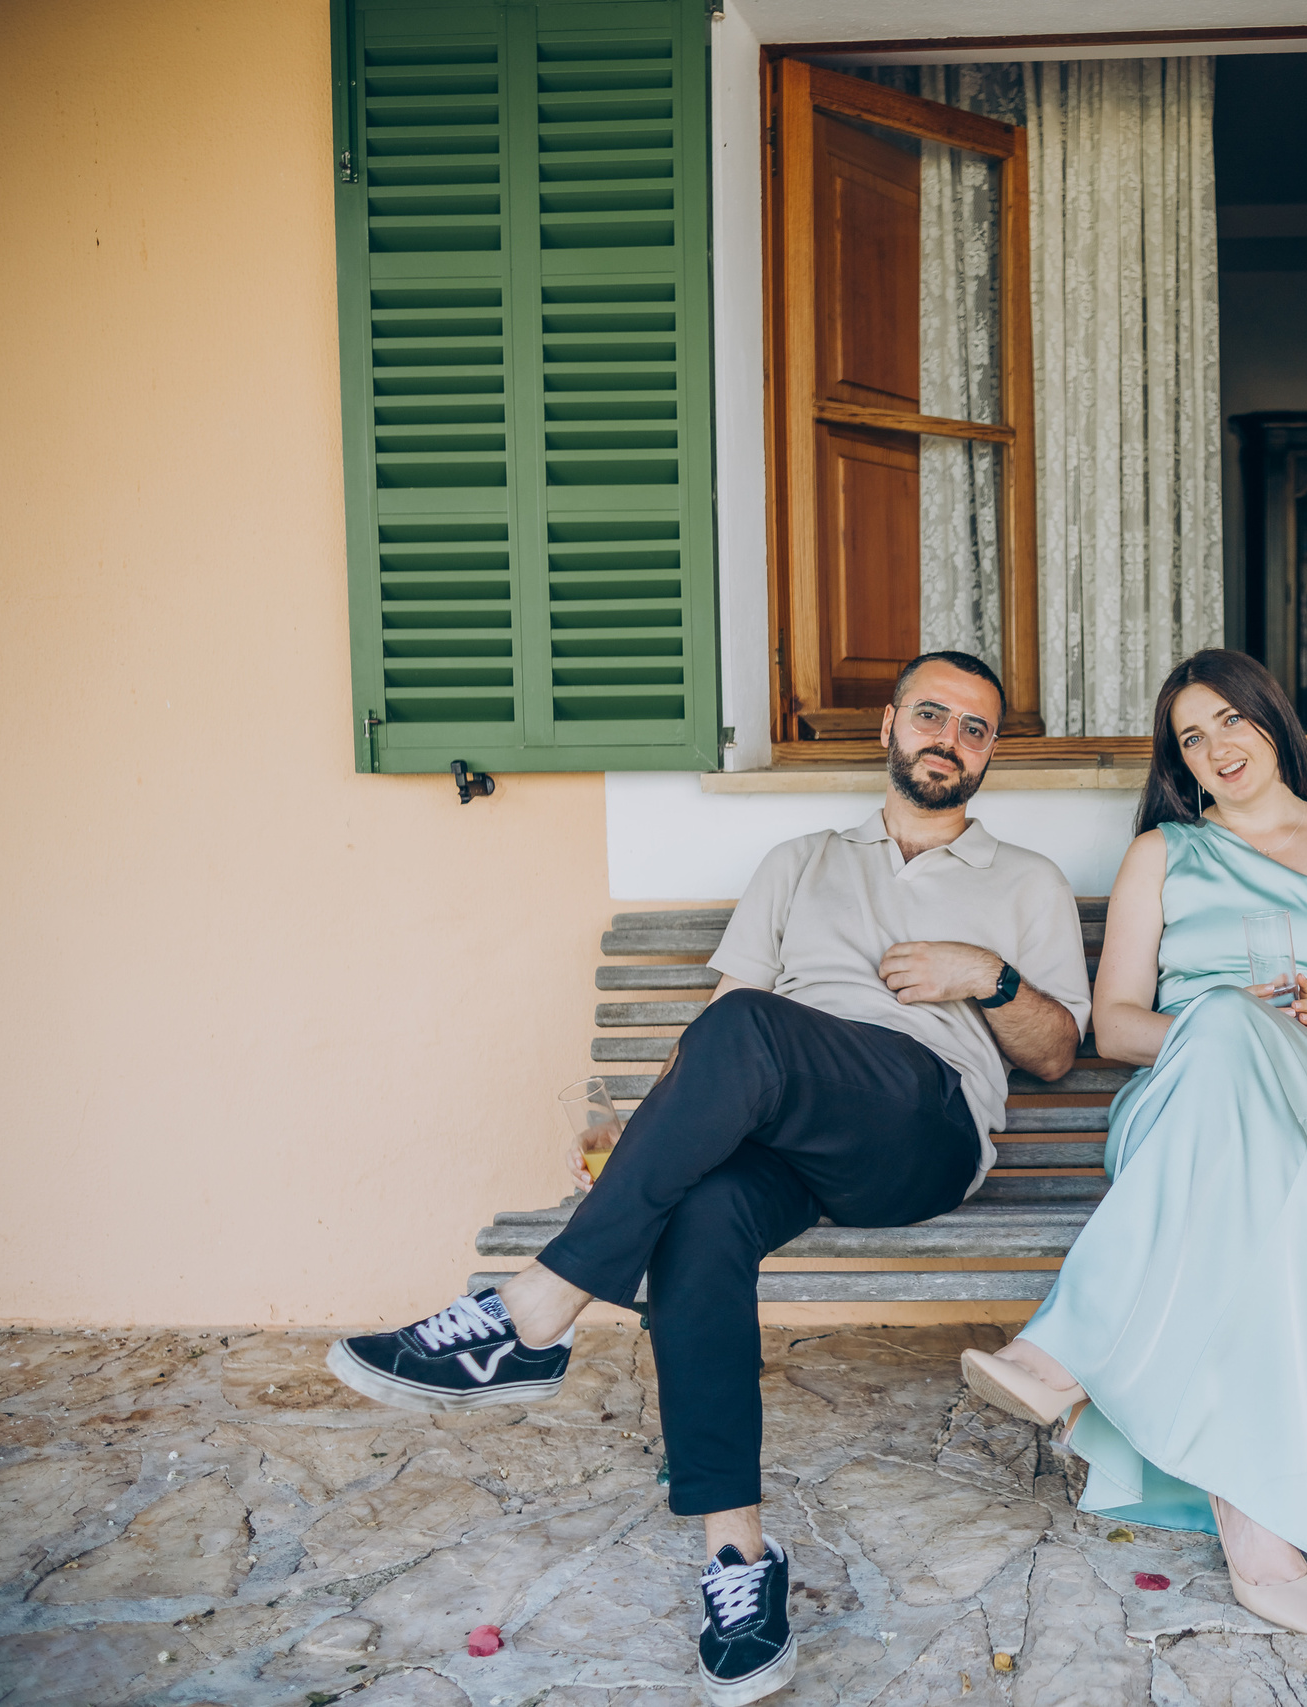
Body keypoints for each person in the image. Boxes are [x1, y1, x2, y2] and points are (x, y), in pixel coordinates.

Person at [322, 651, 1089, 1706]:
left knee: (749, 1036)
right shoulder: (799, 862)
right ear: (888, 728)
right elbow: (725, 1028)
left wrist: (985, 977)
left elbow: (1054, 1052)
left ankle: (532, 1313)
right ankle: (739, 1560)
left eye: (974, 728)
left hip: (919, 1130)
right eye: (931, 716)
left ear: (990, 753)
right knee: (700, 1219)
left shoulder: (1025, 881)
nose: (948, 739)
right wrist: (653, 1151)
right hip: (785, 1139)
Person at [957, 648, 1307, 1634]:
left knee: (1234, 1031)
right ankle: (1252, 1507)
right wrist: (1228, 1031)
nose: (1215, 747)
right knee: (1222, 1043)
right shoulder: (1162, 853)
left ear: (1270, 721)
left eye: (1230, 720)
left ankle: (1066, 1349)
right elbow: (1120, 1025)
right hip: (1183, 1109)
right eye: (1191, 736)